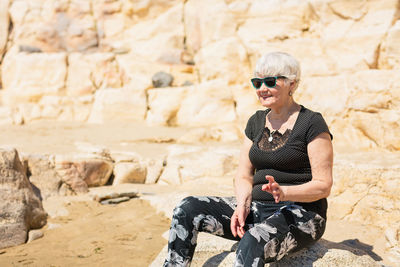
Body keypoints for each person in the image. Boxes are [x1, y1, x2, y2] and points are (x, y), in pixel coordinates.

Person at [163, 51, 333, 267]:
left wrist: (285, 192)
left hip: (302, 213)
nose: (262, 88)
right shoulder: (256, 121)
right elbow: (243, 174)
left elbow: (323, 186)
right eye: (257, 82)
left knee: (253, 240)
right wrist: (242, 205)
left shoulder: (312, 123)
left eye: (270, 81)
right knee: (187, 208)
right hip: (257, 208)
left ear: (292, 84)